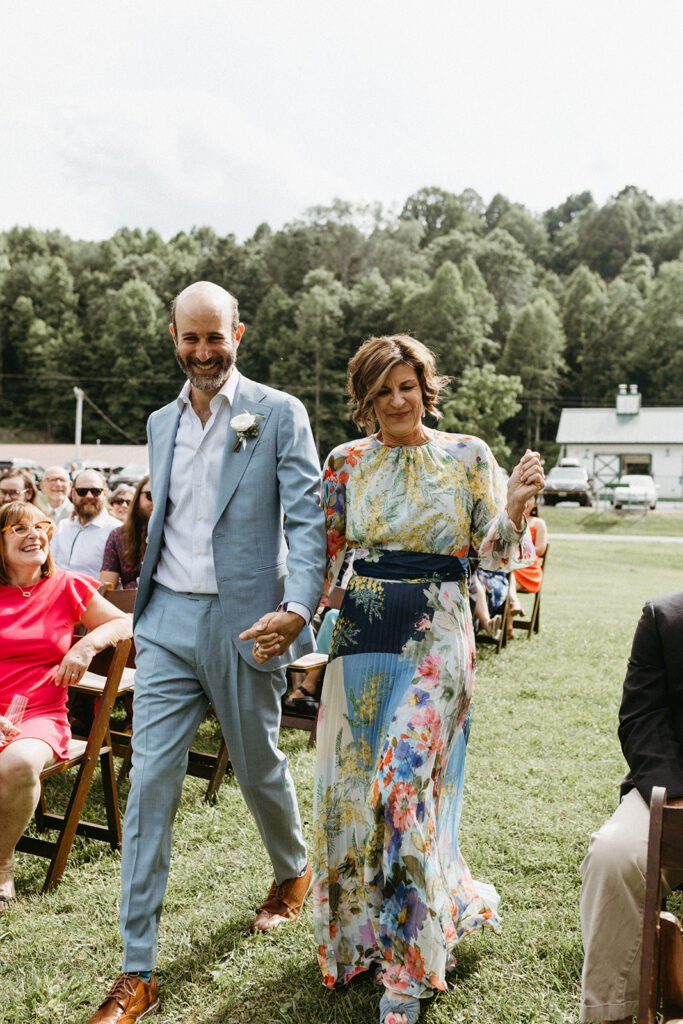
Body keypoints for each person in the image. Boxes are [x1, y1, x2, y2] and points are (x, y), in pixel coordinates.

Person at [85, 280, 326, 1024]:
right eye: (189, 339)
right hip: (163, 624)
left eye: (213, 338)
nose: (201, 352)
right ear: (173, 339)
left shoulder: (278, 413)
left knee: (256, 764)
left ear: (238, 335)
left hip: (246, 623)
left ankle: (291, 872)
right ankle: (135, 973)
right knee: (151, 781)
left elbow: (309, 520)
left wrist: (294, 610)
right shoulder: (160, 421)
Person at [313, 335, 544, 1024]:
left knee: (401, 785)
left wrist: (516, 507)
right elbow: (331, 560)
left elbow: (494, 557)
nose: (394, 402)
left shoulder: (468, 454)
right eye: (380, 391)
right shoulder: (343, 463)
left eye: (405, 386)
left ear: (424, 386)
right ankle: (360, 942)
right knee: (351, 796)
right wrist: (303, 631)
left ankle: (407, 974)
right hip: (360, 636)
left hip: (438, 634)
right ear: (363, 398)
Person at [0, 501, 131, 910]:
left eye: (40, 525)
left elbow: (126, 621)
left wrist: (87, 645)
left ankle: (2, 863)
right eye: (19, 528)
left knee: (17, 764)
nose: (33, 534)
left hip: (38, 715)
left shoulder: (66, 586)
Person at [579, 592, 683, 1024]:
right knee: (614, 856)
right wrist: (677, 802)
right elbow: (642, 719)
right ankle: (614, 1014)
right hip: (675, 792)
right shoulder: (664, 618)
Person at [51, 470, 119, 578]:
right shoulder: (63, 526)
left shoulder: (116, 530)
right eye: (82, 491)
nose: (89, 496)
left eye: (95, 491)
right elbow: (50, 565)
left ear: (104, 494)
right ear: (73, 494)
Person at [100, 477, 152, 590]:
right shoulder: (118, 536)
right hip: (129, 604)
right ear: (138, 499)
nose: (157, 501)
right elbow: (107, 586)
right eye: (150, 495)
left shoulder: (178, 534)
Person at [506, 496, 548, 635]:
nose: (526, 502)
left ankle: (509, 625)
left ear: (535, 503)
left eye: (530, 499)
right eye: (523, 498)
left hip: (529, 568)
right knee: (506, 577)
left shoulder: (538, 523)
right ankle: (514, 608)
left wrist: (520, 548)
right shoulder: (512, 521)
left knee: (508, 577)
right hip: (513, 566)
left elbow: (541, 549)